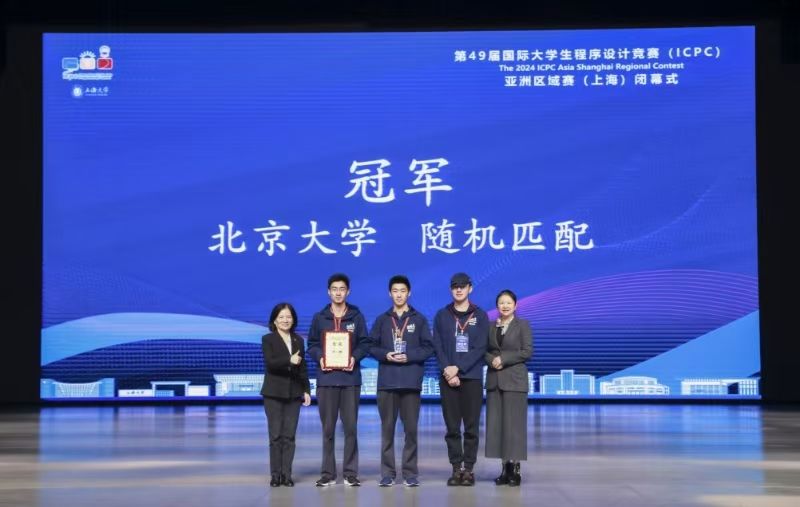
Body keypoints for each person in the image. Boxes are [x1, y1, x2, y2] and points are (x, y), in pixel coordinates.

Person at [369, 275, 434, 487]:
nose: (399, 295)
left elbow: (429, 348)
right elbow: (371, 346)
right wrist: (386, 354)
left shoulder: (419, 319)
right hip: (387, 383)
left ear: (409, 293)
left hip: (410, 383)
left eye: (402, 291)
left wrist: (409, 356)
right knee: (387, 430)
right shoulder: (382, 319)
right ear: (390, 293)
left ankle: (410, 473)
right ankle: (387, 473)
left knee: (411, 431)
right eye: (395, 291)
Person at [307, 273, 370, 487]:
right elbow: (312, 345)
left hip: (350, 379)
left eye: (342, 289)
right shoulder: (320, 317)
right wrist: (320, 358)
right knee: (328, 429)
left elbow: (365, 343)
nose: (338, 293)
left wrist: (354, 358)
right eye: (334, 289)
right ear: (329, 292)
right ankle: (328, 473)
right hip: (326, 380)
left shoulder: (356, 316)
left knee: (351, 428)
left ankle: (350, 473)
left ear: (348, 291)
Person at [431, 272, 489, 486]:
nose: (458, 289)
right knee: (452, 428)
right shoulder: (442, 315)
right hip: (448, 378)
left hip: (472, 378)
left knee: (471, 428)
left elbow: (481, 347)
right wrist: (448, 370)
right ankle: (456, 469)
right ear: (450, 289)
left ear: (470, 288)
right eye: (455, 286)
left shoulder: (480, 315)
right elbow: (437, 346)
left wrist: (459, 368)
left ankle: (469, 470)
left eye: (462, 286)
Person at [485, 289, 533, 487]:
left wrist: (503, 359)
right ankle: (505, 468)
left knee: (514, 427)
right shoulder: (491, 326)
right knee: (498, 427)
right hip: (495, 380)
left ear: (515, 305)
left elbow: (527, 351)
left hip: (515, 381)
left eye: (508, 303)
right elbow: (484, 351)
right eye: (501, 303)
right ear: (497, 306)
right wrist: (492, 360)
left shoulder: (523, 325)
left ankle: (515, 468)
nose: (504, 306)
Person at [261, 302, 312, 488]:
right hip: (273, 393)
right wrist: (289, 359)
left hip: (294, 393)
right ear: (274, 320)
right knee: (275, 436)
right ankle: (275, 475)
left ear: (293, 320)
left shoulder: (298, 340)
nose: (285, 320)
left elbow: (302, 367)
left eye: (288, 317)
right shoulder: (268, 339)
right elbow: (270, 363)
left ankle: (287, 475)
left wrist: (306, 390)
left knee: (289, 437)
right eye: (281, 317)